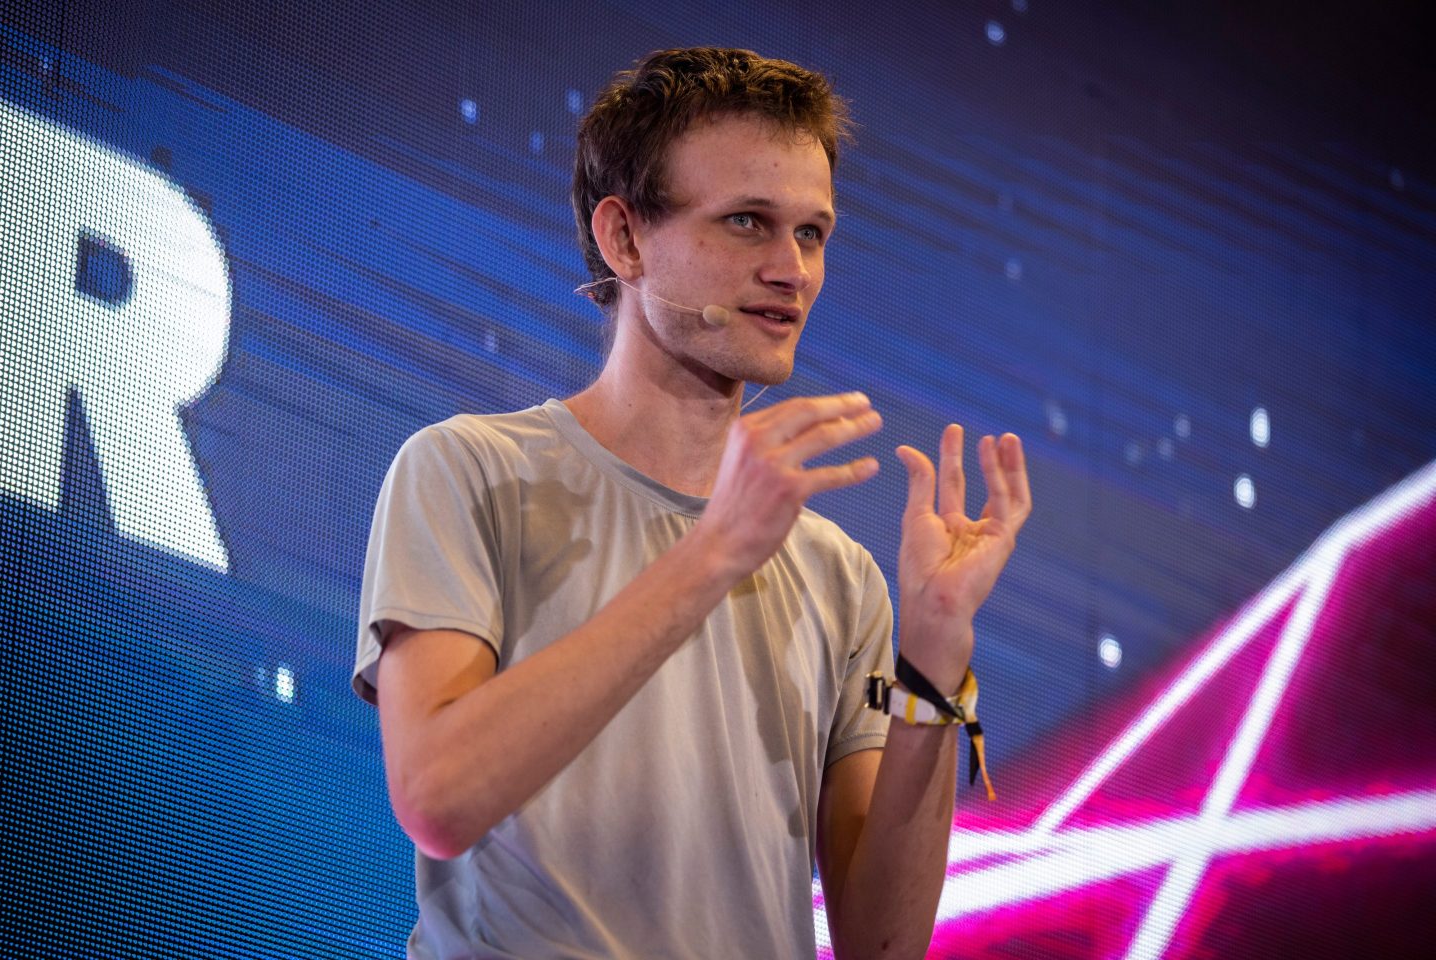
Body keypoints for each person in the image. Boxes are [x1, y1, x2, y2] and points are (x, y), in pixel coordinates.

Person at [353, 47, 1032, 960]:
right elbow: (439, 798)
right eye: (748, 222)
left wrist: (935, 659)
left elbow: (882, 943)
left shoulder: (840, 576)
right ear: (624, 239)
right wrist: (712, 553)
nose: (792, 270)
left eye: (812, 233)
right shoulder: (469, 471)